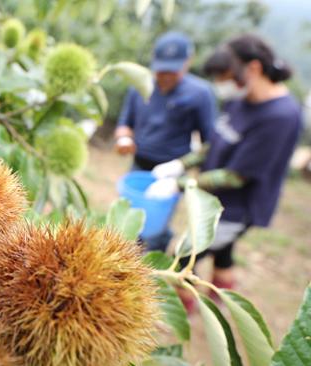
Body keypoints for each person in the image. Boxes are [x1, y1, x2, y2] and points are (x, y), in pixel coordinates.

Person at [146, 34, 303, 306]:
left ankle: (180, 310)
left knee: (184, 258)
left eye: (226, 77)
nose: (221, 86)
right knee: (223, 252)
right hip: (215, 197)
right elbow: (216, 140)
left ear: (253, 68)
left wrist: (181, 183)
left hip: (237, 207)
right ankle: (220, 300)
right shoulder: (243, 98)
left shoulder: (281, 116)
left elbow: (236, 176)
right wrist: (182, 163)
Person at [115, 31, 217, 251]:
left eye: (173, 70)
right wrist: (123, 138)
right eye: (162, 69)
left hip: (172, 170)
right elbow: (125, 122)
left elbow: (210, 142)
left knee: (157, 227)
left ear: (187, 63)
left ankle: (154, 264)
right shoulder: (139, 85)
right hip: (139, 165)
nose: (166, 75)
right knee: (131, 223)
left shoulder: (200, 94)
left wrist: (195, 173)